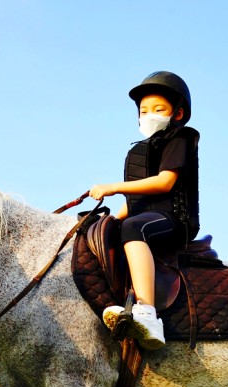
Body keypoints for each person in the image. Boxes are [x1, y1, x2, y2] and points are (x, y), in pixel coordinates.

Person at [89, 71, 200, 350]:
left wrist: (113, 187)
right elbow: (136, 199)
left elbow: (165, 183)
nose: (149, 114)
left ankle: (147, 312)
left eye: (158, 109)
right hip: (146, 215)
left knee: (134, 228)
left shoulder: (180, 139)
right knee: (115, 228)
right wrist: (108, 220)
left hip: (173, 219)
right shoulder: (141, 150)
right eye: (144, 110)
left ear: (177, 113)